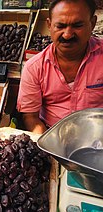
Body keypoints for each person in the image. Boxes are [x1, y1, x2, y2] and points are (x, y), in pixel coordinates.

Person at [17, 0, 103, 134]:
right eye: (60, 26)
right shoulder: (34, 67)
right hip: (51, 135)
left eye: (77, 25)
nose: (67, 34)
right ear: (49, 25)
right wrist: (48, 148)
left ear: (92, 24)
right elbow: (31, 116)